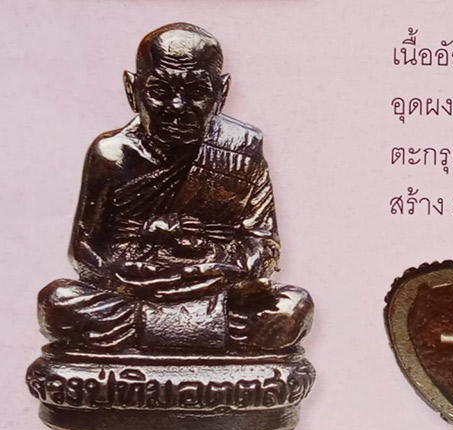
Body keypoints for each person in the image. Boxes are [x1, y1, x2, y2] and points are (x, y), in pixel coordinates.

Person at [38, 23, 313, 352]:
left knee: (292, 307)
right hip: (136, 288)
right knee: (57, 302)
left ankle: (157, 332)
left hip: (213, 286)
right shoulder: (111, 154)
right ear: (132, 90)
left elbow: (263, 245)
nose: (178, 107)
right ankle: (202, 333)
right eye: (160, 91)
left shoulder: (240, 149)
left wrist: (214, 269)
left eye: (196, 92)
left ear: (222, 93)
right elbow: (84, 250)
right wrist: (125, 277)